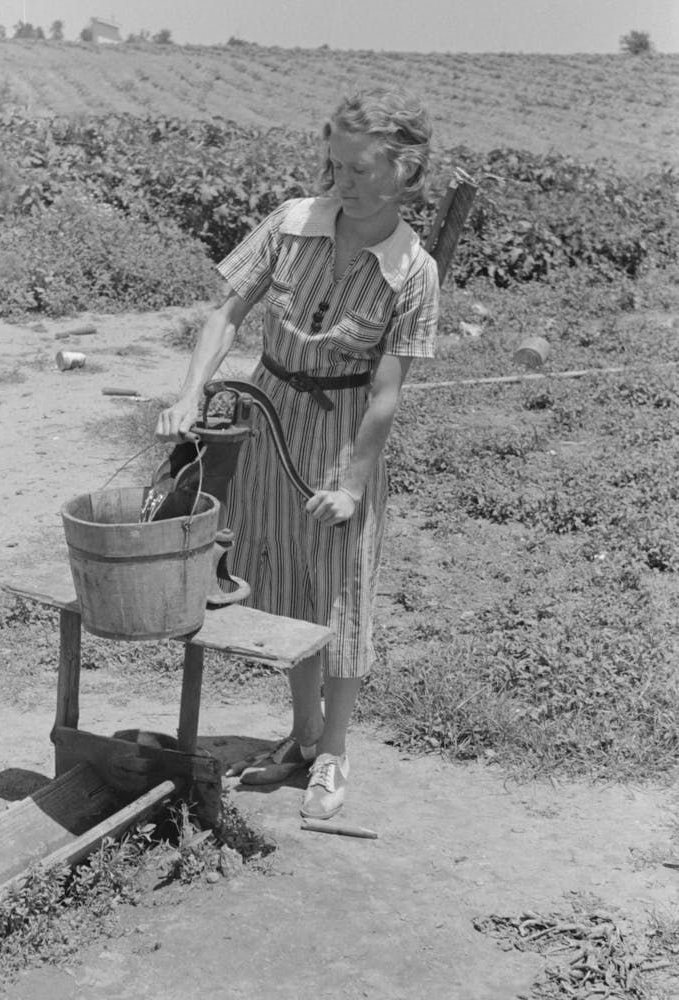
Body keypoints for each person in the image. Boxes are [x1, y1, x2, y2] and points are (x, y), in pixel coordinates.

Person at [155, 87, 439, 821]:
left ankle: (335, 753)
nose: (344, 181)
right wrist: (192, 391)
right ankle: (302, 735)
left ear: (406, 173)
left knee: (339, 590)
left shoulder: (412, 270)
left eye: (363, 170)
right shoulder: (290, 224)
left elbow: (385, 393)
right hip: (270, 412)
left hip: (344, 428)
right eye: (336, 163)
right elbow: (225, 314)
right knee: (281, 573)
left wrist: (351, 483)